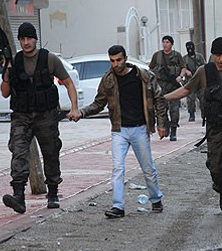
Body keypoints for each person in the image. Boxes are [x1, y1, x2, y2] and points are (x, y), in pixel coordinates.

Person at [69, 45, 167, 218]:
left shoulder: (143, 76)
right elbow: (98, 103)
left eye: (119, 60)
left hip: (140, 129)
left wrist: (161, 124)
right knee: (118, 168)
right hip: (119, 130)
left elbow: (159, 98)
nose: (116, 64)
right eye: (112, 61)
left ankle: (156, 199)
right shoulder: (108, 80)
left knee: (147, 168)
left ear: (125, 58)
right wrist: (81, 112)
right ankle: (118, 206)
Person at [165, 37, 222, 220]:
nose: (221, 60)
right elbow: (187, 90)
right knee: (216, 168)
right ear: (213, 54)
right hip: (214, 129)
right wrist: (165, 98)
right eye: (218, 55)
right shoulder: (204, 72)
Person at [1, 22, 80, 214]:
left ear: (36, 39)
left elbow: (68, 83)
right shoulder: (15, 61)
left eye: (29, 38)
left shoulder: (49, 59)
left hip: (45, 115)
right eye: (22, 39)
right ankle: (18, 195)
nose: (26, 42)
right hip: (22, 115)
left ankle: (52, 193)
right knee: (18, 152)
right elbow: (4, 93)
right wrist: (6, 70)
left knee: (51, 152)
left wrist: (75, 108)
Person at [149, 35, 186, 141]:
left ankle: (173, 131)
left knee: (174, 109)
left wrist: (180, 77)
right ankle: (166, 125)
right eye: (163, 42)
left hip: (173, 85)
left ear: (171, 44)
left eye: (167, 42)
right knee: (161, 108)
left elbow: (183, 67)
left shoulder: (177, 55)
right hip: (161, 86)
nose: (165, 44)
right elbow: (150, 68)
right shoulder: (157, 55)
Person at [183, 41, 205, 122]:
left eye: (191, 47)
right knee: (190, 99)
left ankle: (204, 113)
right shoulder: (184, 59)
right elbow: (182, 68)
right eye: (188, 47)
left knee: (203, 98)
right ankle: (191, 114)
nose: (190, 49)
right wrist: (186, 72)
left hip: (200, 81)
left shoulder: (199, 57)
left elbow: (204, 66)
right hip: (190, 81)